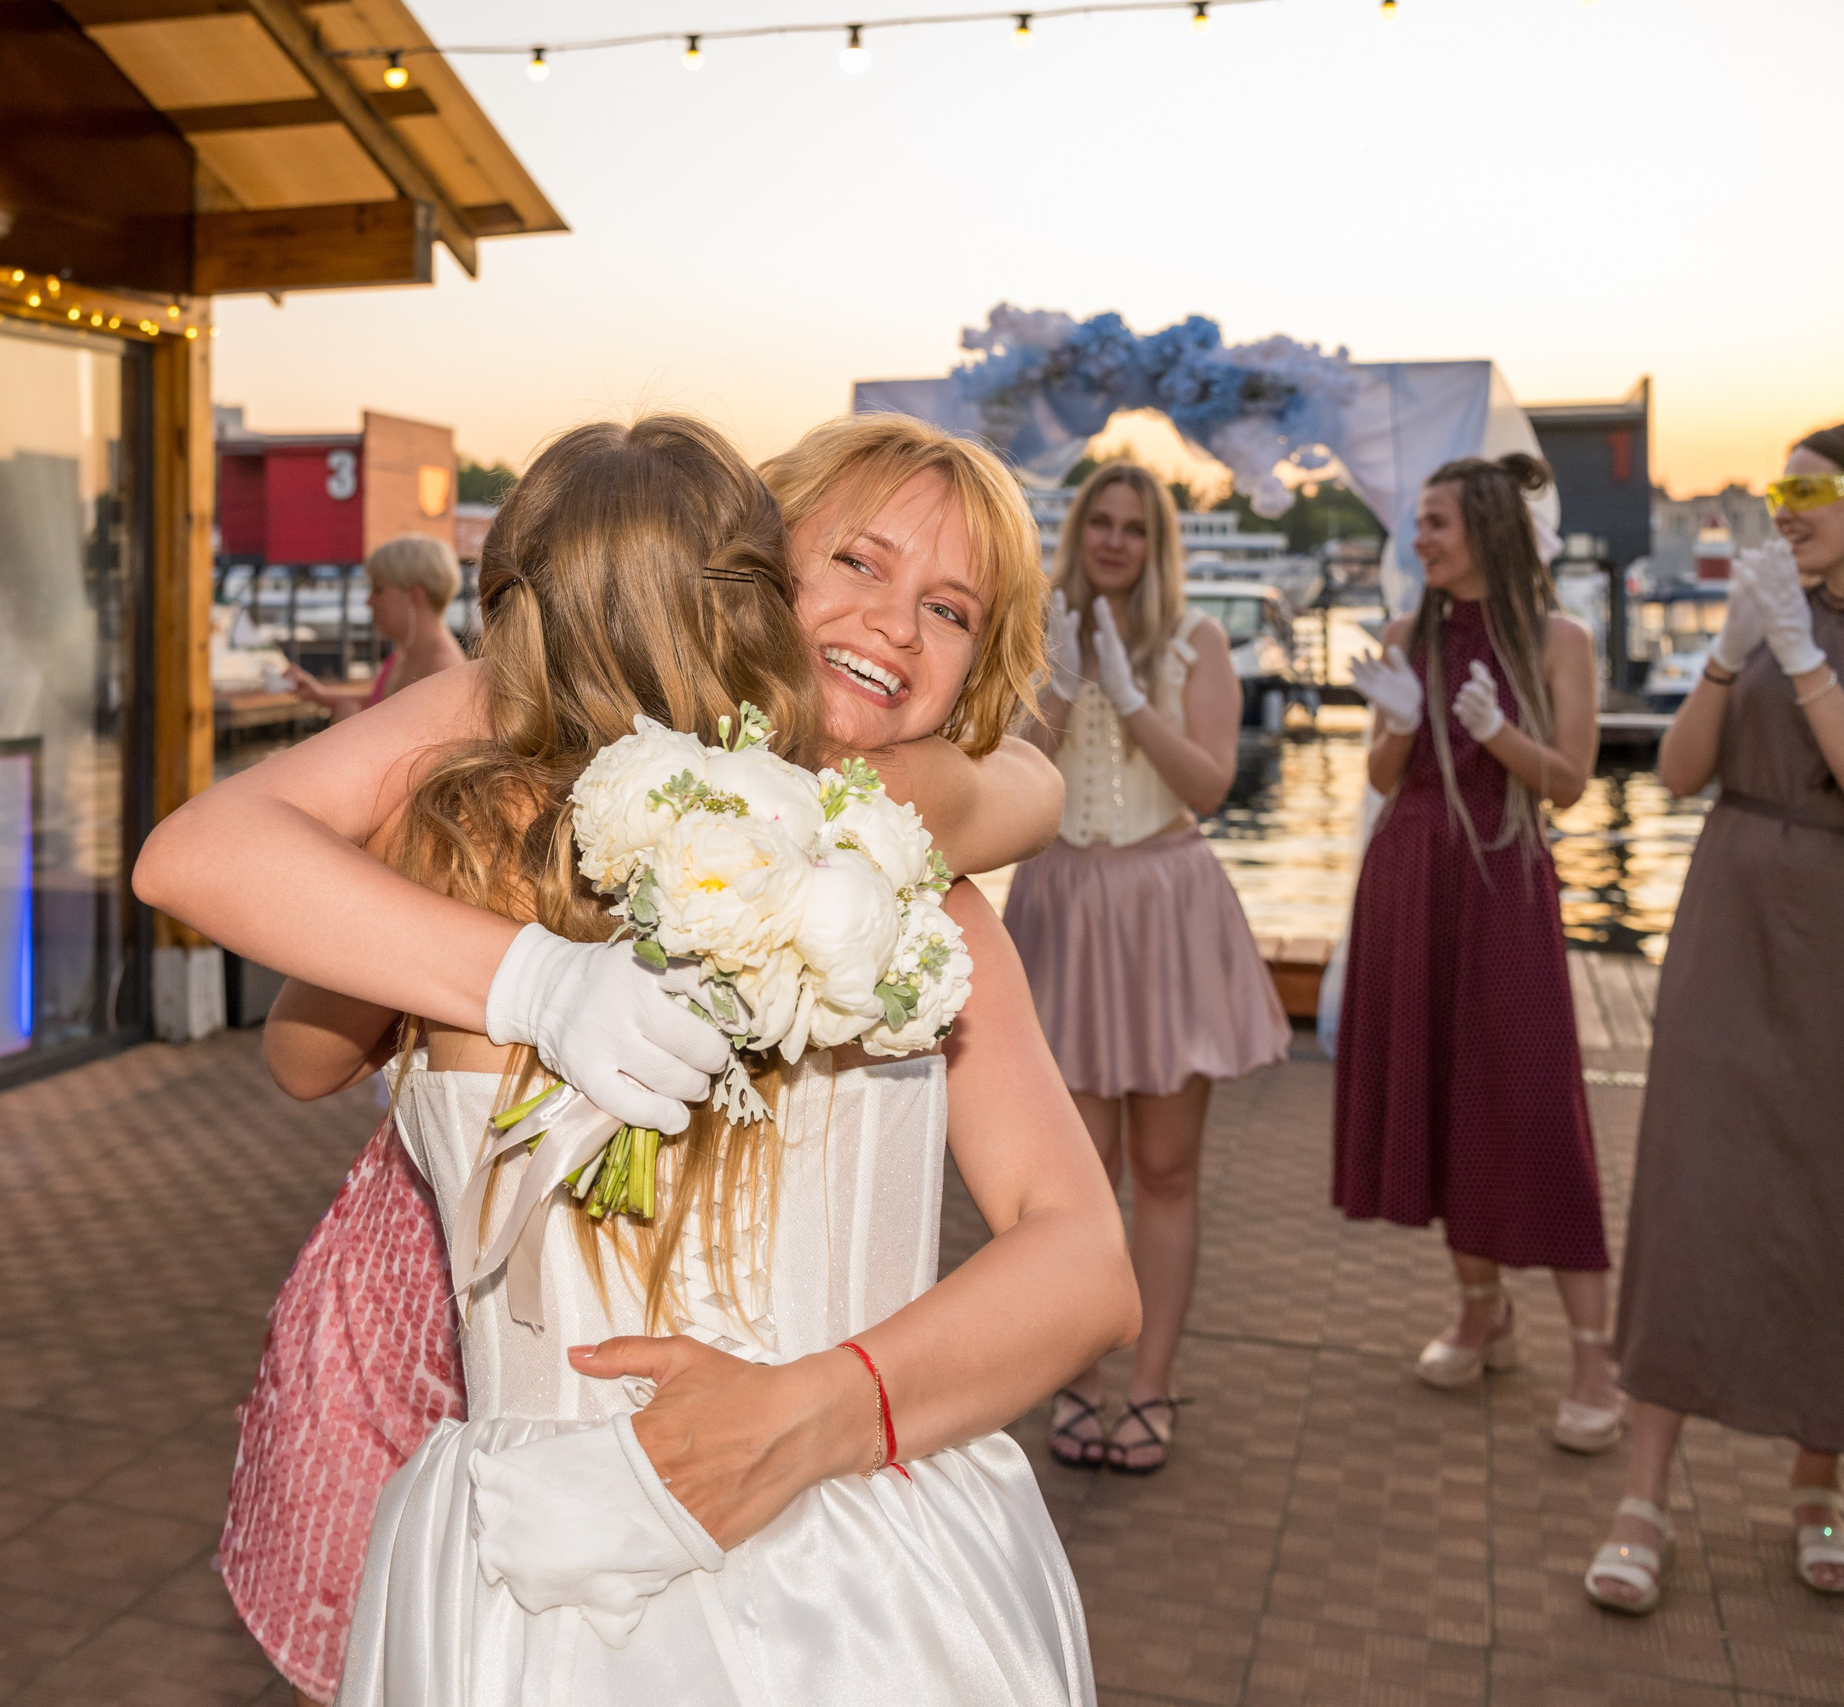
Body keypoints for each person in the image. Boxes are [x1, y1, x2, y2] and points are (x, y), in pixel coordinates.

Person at [137, 414, 1136, 1705]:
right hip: (537, 1564)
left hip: (859, 1583)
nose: (896, 623)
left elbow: (1085, 1260)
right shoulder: (483, 835)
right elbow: (270, 979)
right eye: (858, 561)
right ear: (747, 565)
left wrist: (824, 1410)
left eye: (950, 610)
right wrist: (533, 971)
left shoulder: (931, 909)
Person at [1584, 423, 1844, 1614]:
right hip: (1732, 920)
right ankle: (1642, 1494)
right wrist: (1733, 657)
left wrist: (1802, 657)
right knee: (1691, 1186)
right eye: (1777, 487)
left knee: (1828, 1201)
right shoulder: (1758, 608)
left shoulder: (1806, 628)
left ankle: (1815, 1481)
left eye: (1810, 491)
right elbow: (1679, 773)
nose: (1783, 508)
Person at [1331, 454, 1618, 1451]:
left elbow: (1569, 782)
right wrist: (1400, 723)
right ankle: (1482, 1309)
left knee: (1533, 1103)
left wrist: (1494, 733)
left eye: (1436, 523)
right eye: (1418, 522)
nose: (1418, 540)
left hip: (1502, 881)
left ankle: (1593, 1352)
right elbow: (1382, 772)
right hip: (1410, 874)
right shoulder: (1404, 635)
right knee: (1442, 1094)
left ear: (1486, 529)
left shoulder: (1557, 639)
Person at [1008, 463, 1288, 1476]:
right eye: (1102, 521)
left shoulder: (1195, 641)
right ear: (1079, 529)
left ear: (1156, 540)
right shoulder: (1039, 632)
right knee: (1077, 1172)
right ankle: (1077, 1376)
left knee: (1166, 1167)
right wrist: (1061, 680)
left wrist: (1129, 698)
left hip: (1163, 902)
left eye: (1134, 526)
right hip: (1065, 903)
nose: (1115, 540)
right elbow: (1012, 774)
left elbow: (1208, 785)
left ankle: (1153, 1382)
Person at [285, 535, 469, 719]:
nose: (369, 601)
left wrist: (348, 725)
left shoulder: (441, 674)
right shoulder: (410, 653)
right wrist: (320, 695)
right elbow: (383, 704)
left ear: (414, 595)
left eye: (378, 589)